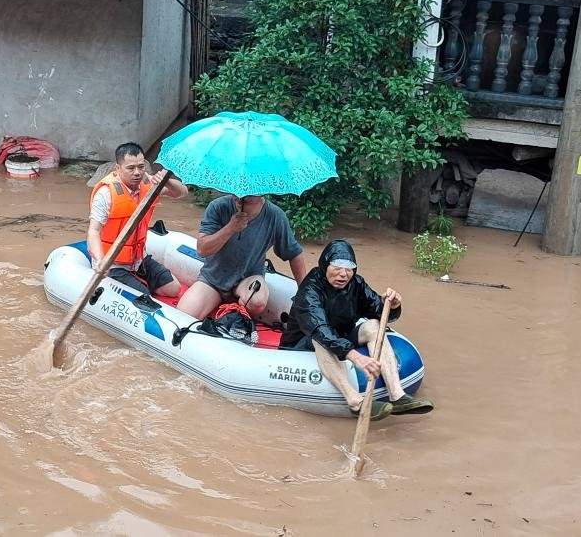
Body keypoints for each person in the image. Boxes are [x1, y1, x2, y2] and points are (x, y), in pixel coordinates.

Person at [280, 239, 434, 420]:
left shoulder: (356, 284)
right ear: (325, 265)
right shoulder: (310, 290)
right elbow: (321, 331)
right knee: (320, 340)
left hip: (340, 337)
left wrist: (392, 306)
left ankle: (397, 395)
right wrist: (357, 357)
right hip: (301, 346)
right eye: (337, 267)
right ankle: (355, 402)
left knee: (373, 325)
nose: (343, 274)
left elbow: (379, 312)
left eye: (349, 269)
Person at [177, 194, 308, 324]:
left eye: (250, 194)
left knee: (257, 301)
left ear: (262, 193)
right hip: (213, 279)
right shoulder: (218, 206)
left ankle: (238, 318)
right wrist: (230, 228)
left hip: (249, 278)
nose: (243, 197)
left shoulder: (275, 216)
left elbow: (294, 254)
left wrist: (305, 291)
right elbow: (202, 249)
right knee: (182, 317)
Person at [88, 142, 188, 296]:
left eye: (141, 167)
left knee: (173, 289)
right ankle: (138, 286)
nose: (137, 173)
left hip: (138, 258)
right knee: (143, 296)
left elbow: (181, 193)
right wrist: (101, 260)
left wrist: (166, 180)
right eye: (131, 168)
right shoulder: (106, 193)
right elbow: (94, 231)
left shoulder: (149, 184)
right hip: (113, 263)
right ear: (118, 168)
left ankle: (139, 280)